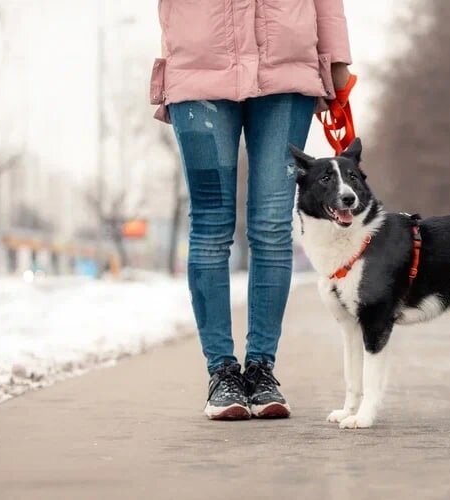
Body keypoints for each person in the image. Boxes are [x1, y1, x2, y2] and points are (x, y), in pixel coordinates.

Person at [151, 0, 353, 420]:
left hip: (286, 66)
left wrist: (336, 60)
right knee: (210, 224)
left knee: (272, 225)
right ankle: (222, 372)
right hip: (199, 65)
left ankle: (261, 369)